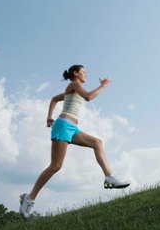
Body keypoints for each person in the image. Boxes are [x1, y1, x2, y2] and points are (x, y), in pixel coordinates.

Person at [19, 64, 130, 219]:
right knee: (55, 166)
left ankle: (109, 177)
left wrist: (49, 116)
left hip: (72, 128)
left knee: (97, 143)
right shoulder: (74, 84)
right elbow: (89, 97)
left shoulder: (74, 88)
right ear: (76, 74)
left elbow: (54, 99)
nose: (86, 75)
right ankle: (29, 198)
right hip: (63, 126)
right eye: (84, 72)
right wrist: (103, 86)